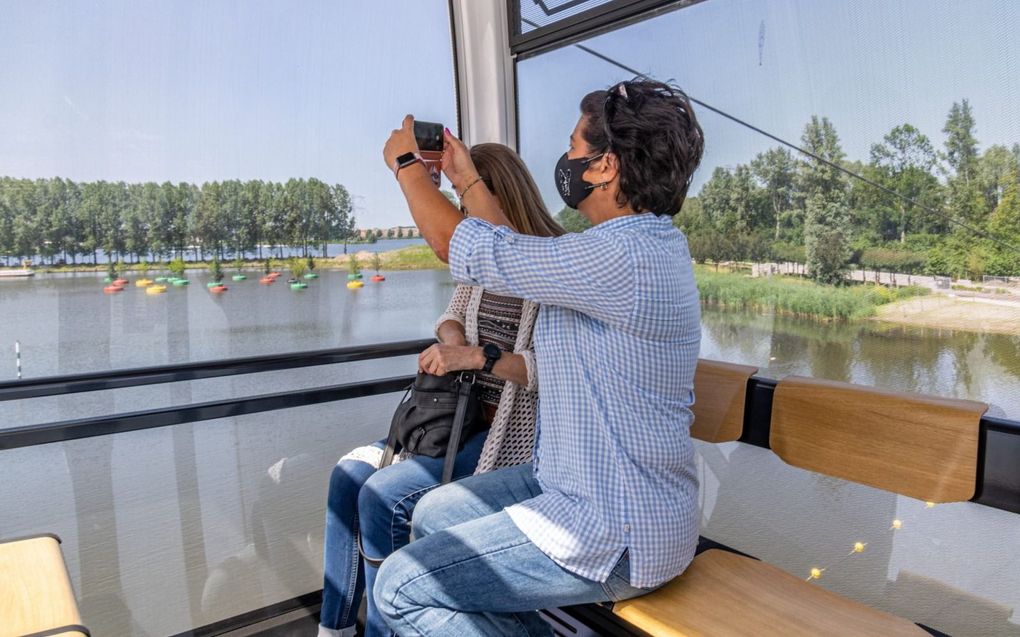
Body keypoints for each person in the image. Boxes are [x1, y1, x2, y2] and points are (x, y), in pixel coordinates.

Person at [374, 78, 705, 636]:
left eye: (575, 146)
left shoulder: (623, 256)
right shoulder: (627, 248)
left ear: (604, 167)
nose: (567, 158)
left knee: (401, 588)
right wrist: (467, 179)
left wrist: (406, 163)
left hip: (619, 525)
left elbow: (465, 248)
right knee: (432, 513)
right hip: (572, 482)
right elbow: (509, 252)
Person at [318, 143, 564, 637]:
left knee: (383, 496)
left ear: (496, 192)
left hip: (508, 438)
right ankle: (336, 630)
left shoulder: (547, 265)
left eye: (464, 195)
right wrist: (452, 340)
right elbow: (452, 314)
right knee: (348, 476)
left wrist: (477, 357)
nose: (460, 209)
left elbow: (557, 372)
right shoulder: (483, 264)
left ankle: (387, 629)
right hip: (458, 421)